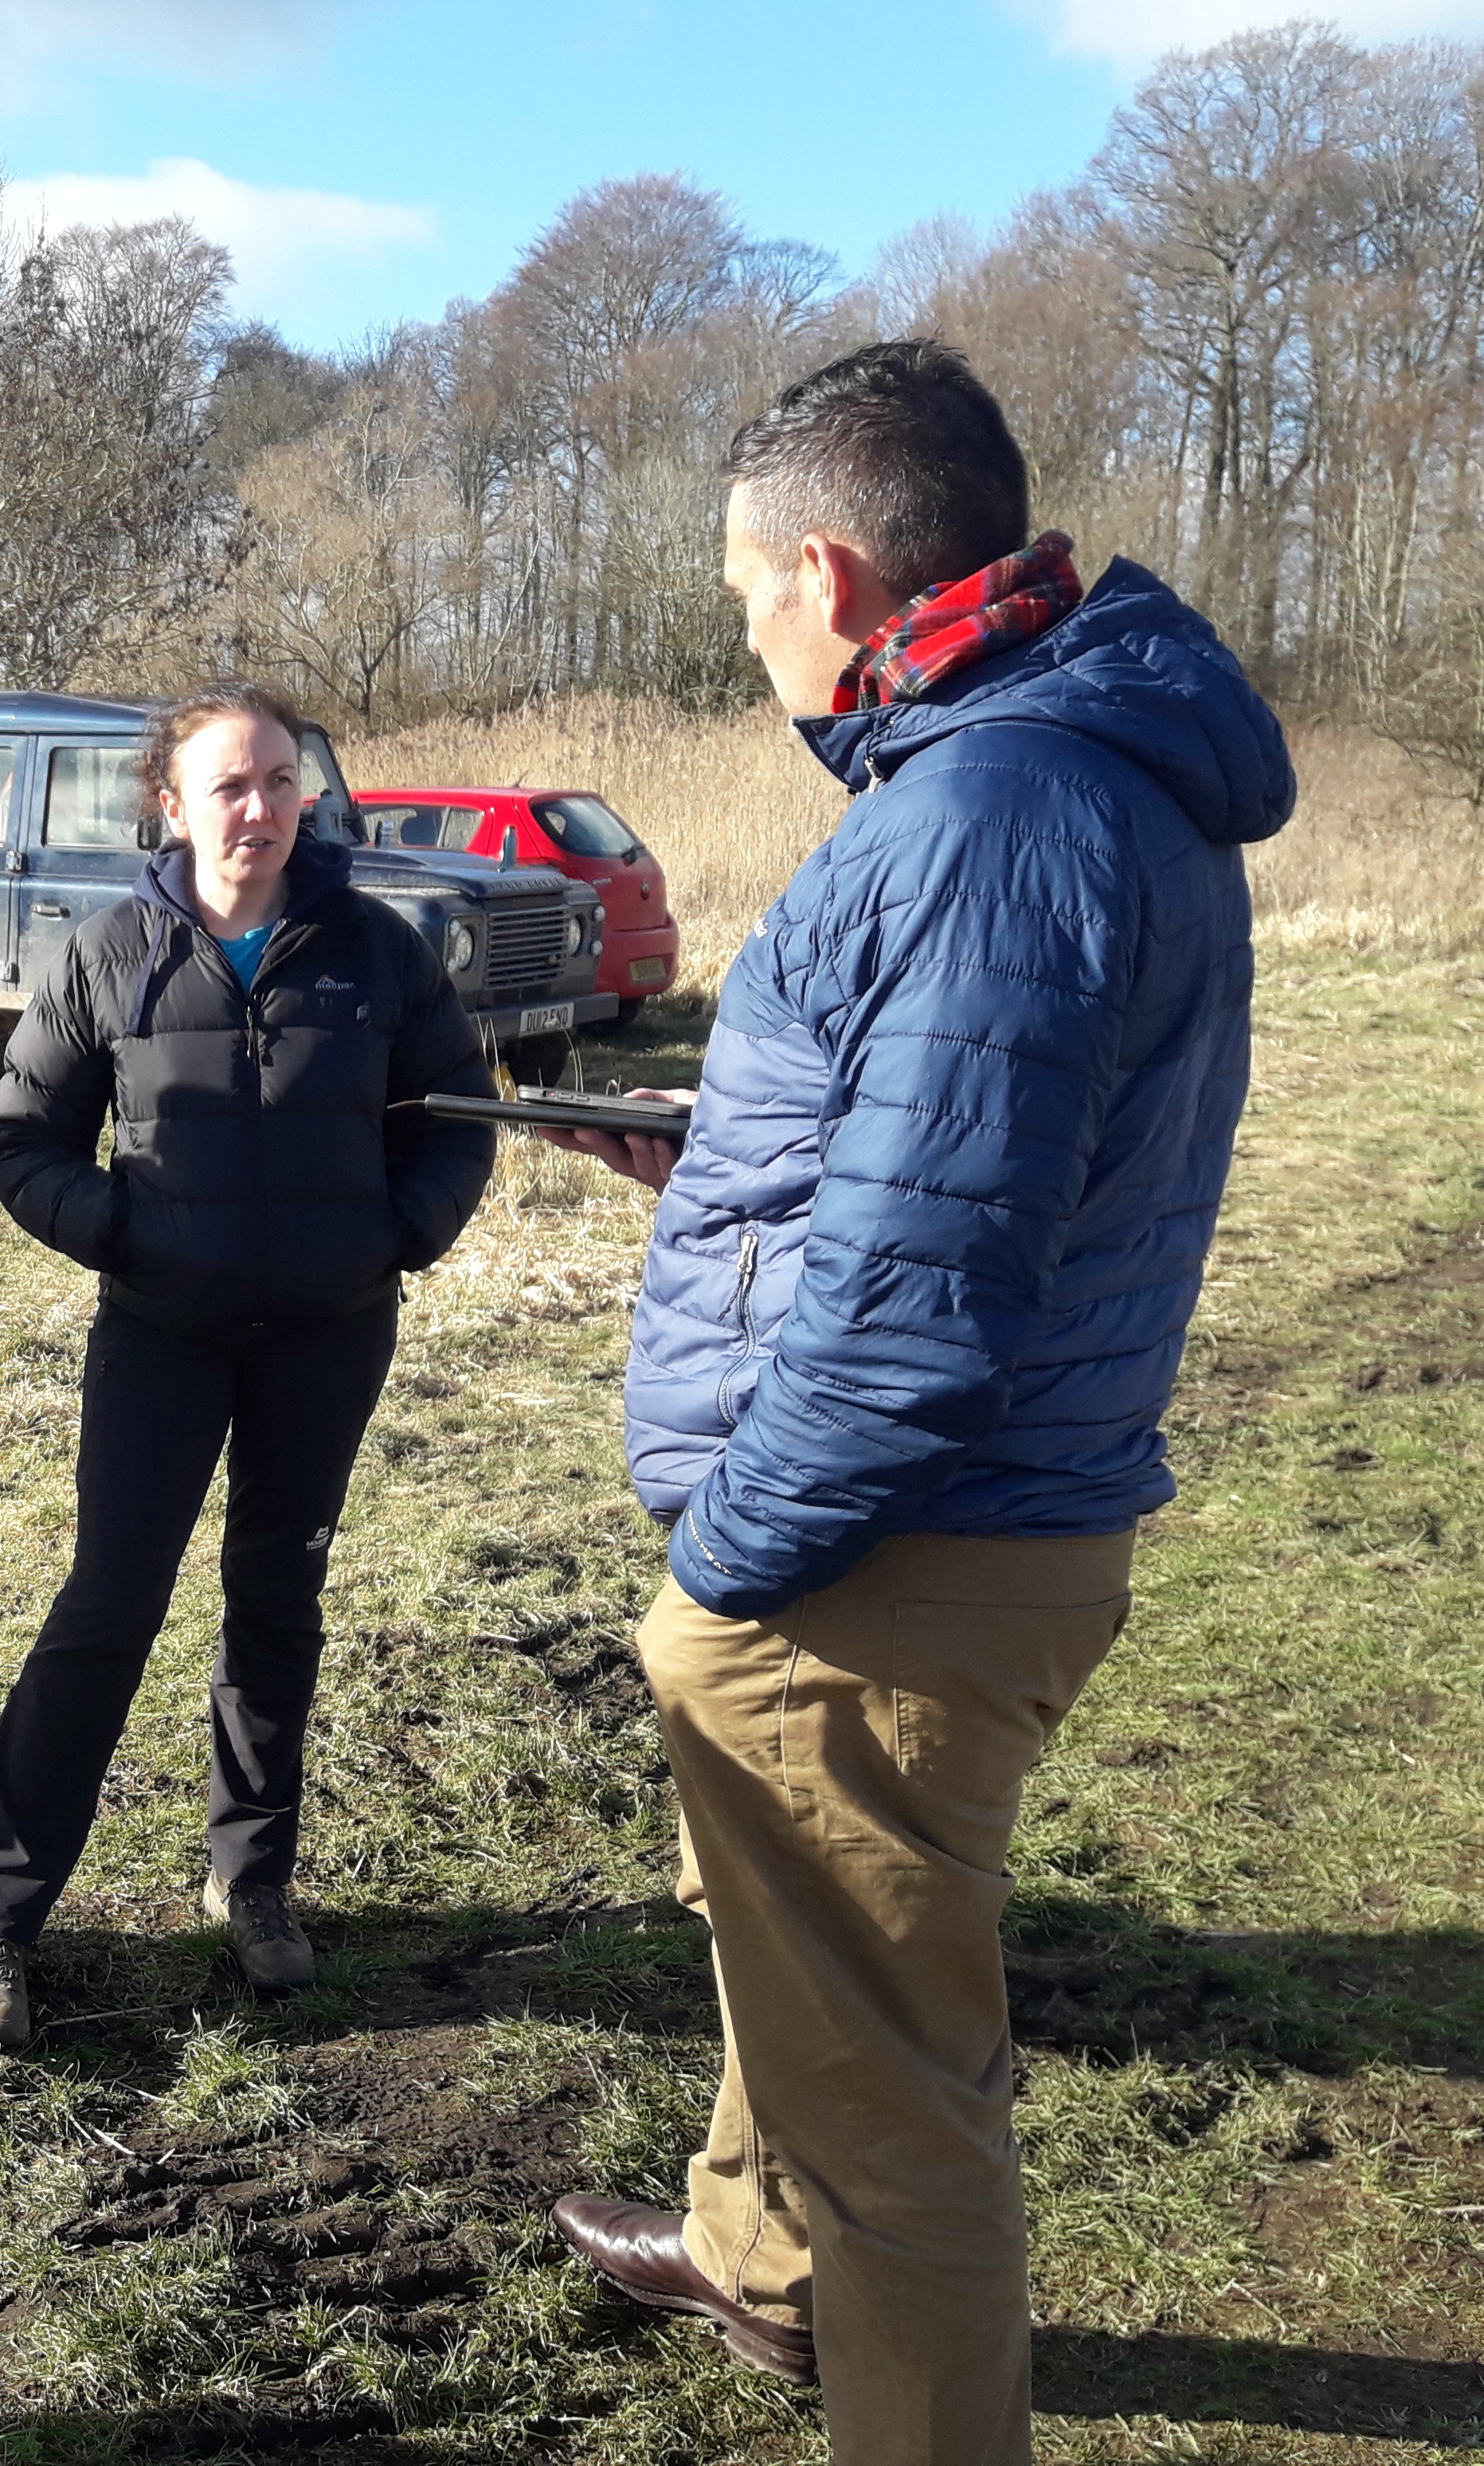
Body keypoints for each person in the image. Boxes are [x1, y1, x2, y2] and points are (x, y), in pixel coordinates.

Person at [533, 342, 1289, 2460]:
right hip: (961, 1523)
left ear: (833, 572)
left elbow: (924, 1305)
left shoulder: (993, 808)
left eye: (744, 593)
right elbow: (957, 1153)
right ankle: (758, 2266)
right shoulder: (1048, 769)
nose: (748, 633)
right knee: (830, 2001)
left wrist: (731, 1574)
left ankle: (873, 2348)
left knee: (899, 2122)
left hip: (896, 1554)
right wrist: (743, 1142)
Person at [0, 681, 499, 2049]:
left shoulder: (378, 952)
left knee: (276, 1602)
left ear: (308, 794)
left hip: (330, 1331)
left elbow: (459, 1119)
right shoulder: (110, 953)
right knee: (106, 1606)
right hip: (162, 1335)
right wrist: (127, 1233)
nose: (259, 807)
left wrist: (395, 1236)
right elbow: (22, 1139)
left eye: (280, 779)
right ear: (171, 806)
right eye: (228, 786)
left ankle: (253, 1881)